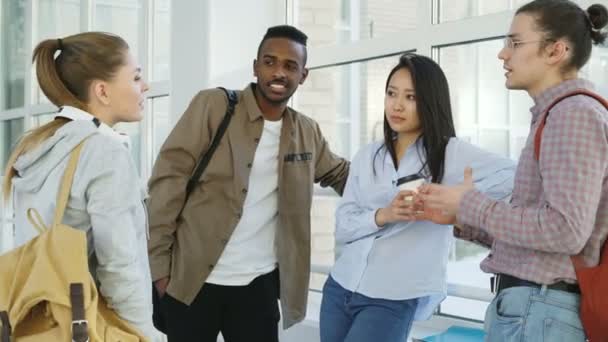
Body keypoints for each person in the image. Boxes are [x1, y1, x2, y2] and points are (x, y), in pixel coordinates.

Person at [416, 1, 608, 341]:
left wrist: (471, 203)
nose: (502, 55)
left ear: (556, 51)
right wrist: (463, 220)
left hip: (540, 311)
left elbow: (565, 231)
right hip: (534, 309)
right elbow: (545, 240)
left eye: (515, 43)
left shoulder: (572, 114)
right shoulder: (557, 115)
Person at [147, 25, 349, 342]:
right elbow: (167, 182)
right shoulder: (213, 106)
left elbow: (341, 174)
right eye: (270, 62)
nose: (278, 72)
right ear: (256, 66)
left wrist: (401, 183)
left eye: (290, 66)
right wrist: (159, 269)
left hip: (258, 286)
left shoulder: (306, 131)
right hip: (192, 281)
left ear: (303, 75)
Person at [318, 53, 516, 342]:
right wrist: (383, 215)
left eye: (411, 97)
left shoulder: (452, 153)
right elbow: (343, 227)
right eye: (391, 94)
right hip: (341, 285)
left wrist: (460, 200)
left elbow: (516, 176)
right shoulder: (367, 155)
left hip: (392, 296)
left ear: (430, 101)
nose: (397, 105)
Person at [2, 32, 159, 340]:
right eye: (136, 77)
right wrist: (145, 334)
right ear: (102, 91)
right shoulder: (104, 152)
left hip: (38, 322)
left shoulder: (36, 145)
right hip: (92, 325)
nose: (145, 86)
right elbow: (119, 265)